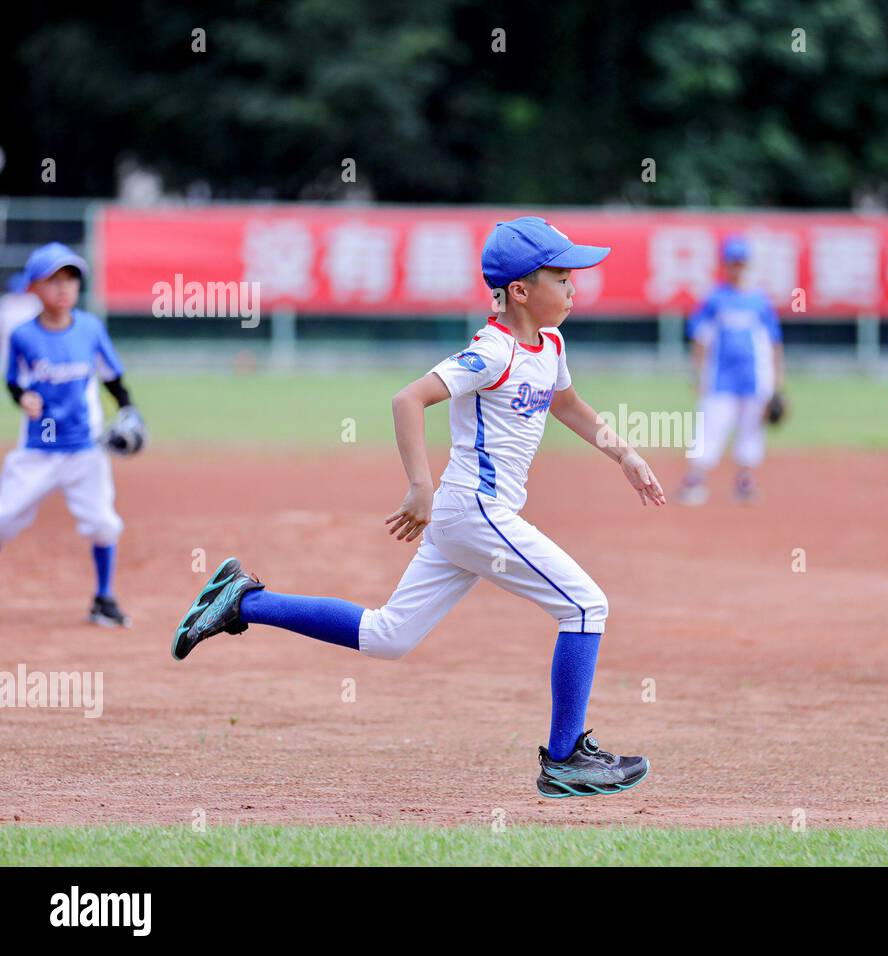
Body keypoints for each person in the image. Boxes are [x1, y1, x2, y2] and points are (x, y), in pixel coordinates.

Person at [172, 216, 666, 798]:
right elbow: (408, 398)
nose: (574, 286)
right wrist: (419, 486)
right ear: (521, 291)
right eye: (561, 275)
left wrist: (625, 456)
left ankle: (245, 601)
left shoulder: (550, 344)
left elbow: (570, 407)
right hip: (476, 511)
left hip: (473, 519)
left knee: (389, 636)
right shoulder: (492, 351)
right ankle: (564, 760)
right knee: (585, 606)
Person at [1, 243, 138, 626]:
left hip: (85, 450)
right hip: (38, 449)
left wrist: (129, 409)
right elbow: (13, 382)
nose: (64, 287)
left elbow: (112, 377)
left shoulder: (90, 328)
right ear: (33, 288)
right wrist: (22, 398)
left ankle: (104, 598)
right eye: (53, 280)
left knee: (103, 523)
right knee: (3, 517)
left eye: (71, 278)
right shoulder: (23, 336)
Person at [676, 235, 784, 505]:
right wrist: (697, 373)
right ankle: (695, 481)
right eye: (733, 262)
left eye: (742, 262)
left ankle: (745, 482)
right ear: (725, 264)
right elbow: (700, 338)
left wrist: (778, 382)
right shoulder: (714, 299)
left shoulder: (760, 301)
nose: (737, 267)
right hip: (719, 379)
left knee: (751, 429)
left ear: (748, 264)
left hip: (756, 379)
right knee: (710, 427)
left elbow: (773, 342)